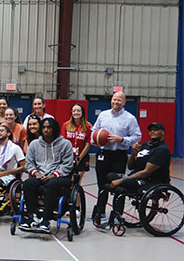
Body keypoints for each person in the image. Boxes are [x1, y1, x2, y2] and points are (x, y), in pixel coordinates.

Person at [94, 122, 171, 226]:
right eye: (150, 130)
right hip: (137, 177)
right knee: (110, 176)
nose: (152, 132)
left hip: (150, 180)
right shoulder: (145, 145)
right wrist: (134, 153)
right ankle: (103, 212)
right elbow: (131, 166)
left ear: (163, 132)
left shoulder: (162, 150)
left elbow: (146, 172)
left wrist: (122, 180)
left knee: (120, 185)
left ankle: (117, 216)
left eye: (156, 130)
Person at [90, 91, 141, 219]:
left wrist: (122, 140)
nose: (116, 102)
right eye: (114, 99)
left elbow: (137, 136)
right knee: (102, 184)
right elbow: (94, 130)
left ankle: (117, 214)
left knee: (119, 186)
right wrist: (94, 140)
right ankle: (100, 212)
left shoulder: (130, 118)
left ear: (124, 102)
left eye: (119, 100)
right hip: (103, 154)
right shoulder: (103, 115)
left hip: (119, 155)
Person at [19, 118, 73, 233]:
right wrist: (36, 173)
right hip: (40, 175)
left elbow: (67, 166)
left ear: (55, 129)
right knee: (28, 183)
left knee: (52, 184)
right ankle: (32, 217)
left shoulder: (65, 144)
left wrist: (53, 175)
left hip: (59, 177)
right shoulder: (34, 144)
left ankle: (45, 219)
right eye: (44, 127)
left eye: (49, 127)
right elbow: (29, 163)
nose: (46, 130)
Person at [61, 103, 92, 183]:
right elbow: (63, 142)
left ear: (82, 113)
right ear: (71, 112)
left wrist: (79, 158)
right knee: (68, 182)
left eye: (78, 111)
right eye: (74, 111)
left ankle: (78, 195)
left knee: (77, 182)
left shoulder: (88, 126)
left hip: (82, 157)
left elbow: (87, 144)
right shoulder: (66, 125)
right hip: (68, 156)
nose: (76, 112)